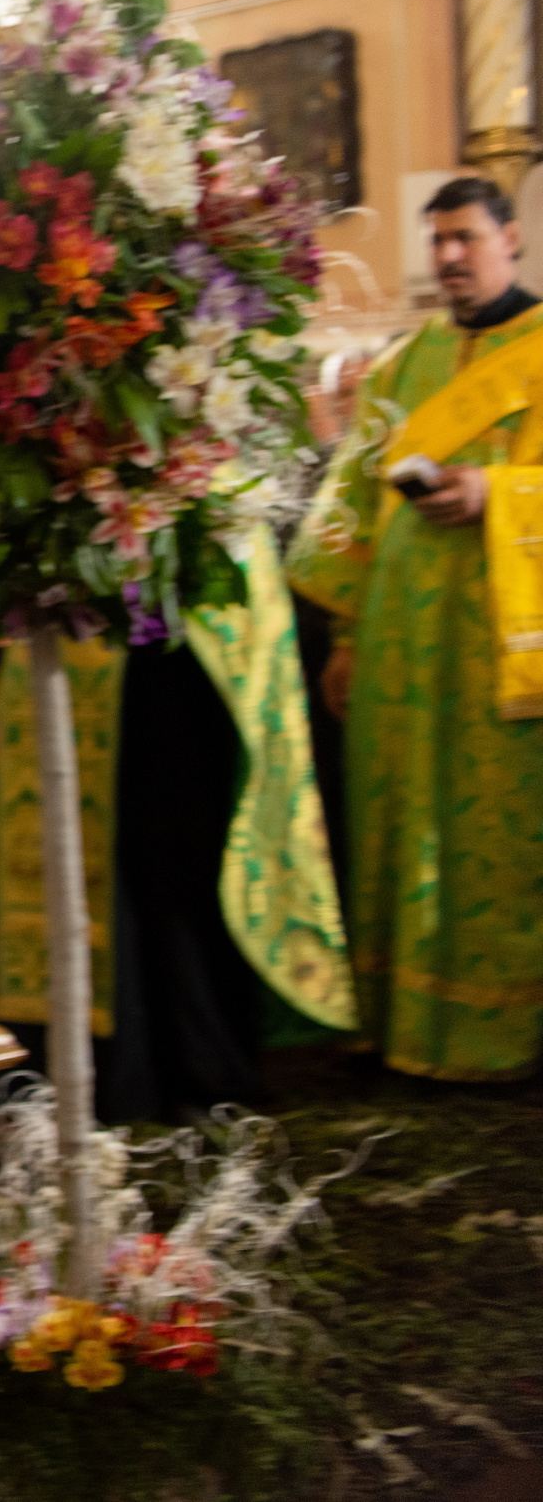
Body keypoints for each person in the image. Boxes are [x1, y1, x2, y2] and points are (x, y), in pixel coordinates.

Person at [0, 531, 352, 1120]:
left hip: (184, 641)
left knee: (177, 853)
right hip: (68, 613)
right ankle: (81, 1060)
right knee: (68, 848)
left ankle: (189, 1059)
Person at [291, 176, 543, 1081]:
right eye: (436, 241)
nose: (447, 258)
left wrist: (499, 492)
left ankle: (503, 1035)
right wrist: (349, 635)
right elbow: (352, 500)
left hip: (503, 654)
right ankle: (401, 1025)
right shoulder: (403, 363)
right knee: (404, 829)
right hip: (402, 646)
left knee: (498, 849)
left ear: (510, 239)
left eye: (465, 239)